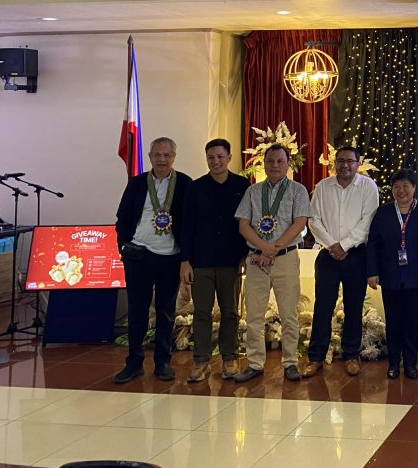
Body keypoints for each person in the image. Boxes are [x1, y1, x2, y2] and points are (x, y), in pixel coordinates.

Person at [113, 137, 192, 383]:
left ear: (174, 157)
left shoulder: (185, 184)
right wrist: (123, 247)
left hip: (170, 257)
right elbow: (122, 217)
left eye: (167, 155)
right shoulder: (137, 183)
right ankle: (134, 363)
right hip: (139, 256)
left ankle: (162, 362)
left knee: (166, 313)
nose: (162, 159)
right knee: (137, 311)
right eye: (157, 155)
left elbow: (190, 224)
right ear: (150, 157)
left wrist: (186, 258)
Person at [301, 145, 380, 378]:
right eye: (341, 161)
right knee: (323, 307)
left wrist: (344, 245)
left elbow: (368, 221)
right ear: (334, 163)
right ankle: (316, 356)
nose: (345, 165)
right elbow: (313, 219)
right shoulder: (322, 187)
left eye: (350, 161)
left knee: (354, 307)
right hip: (328, 255)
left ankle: (351, 355)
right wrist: (332, 245)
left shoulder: (368, 187)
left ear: (358, 164)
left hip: (356, 255)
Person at [234, 144, 310, 383]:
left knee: (289, 314)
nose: (275, 165)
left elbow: (299, 223)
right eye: (270, 161)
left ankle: (290, 362)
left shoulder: (298, 190)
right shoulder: (253, 191)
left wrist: (273, 249)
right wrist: (263, 248)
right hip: (257, 259)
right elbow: (243, 225)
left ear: (288, 164)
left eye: (279, 161)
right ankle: (255, 363)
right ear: (263, 163)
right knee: (254, 315)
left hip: (285, 258)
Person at [179, 138, 250, 383]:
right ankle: (201, 360)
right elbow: (186, 226)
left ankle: (230, 357)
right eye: (211, 157)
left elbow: (248, 222)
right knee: (202, 312)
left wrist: (245, 254)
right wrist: (185, 260)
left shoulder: (242, 185)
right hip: (201, 261)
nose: (216, 161)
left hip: (231, 260)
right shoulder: (195, 187)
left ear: (229, 157)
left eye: (220, 157)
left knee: (230, 311)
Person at [366, 170, 418, 379]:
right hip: (390, 274)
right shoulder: (383, 212)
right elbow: (373, 243)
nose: (401, 191)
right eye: (396, 187)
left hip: (415, 274)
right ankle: (393, 363)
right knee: (393, 320)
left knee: (411, 321)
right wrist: (372, 271)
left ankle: (411, 363)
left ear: (414, 188)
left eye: (405, 186)